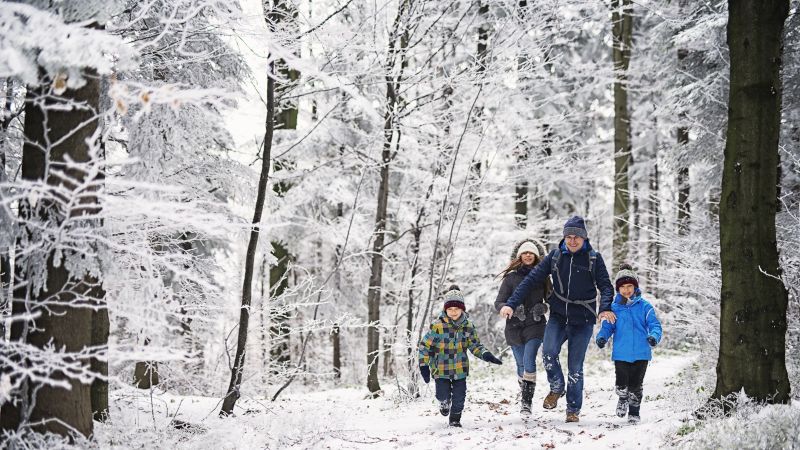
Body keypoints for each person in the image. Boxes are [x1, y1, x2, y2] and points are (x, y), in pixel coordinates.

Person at [499, 216, 615, 423]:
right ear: (564, 237)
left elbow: (605, 286)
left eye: (576, 237)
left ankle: (572, 410)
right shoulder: (554, 257)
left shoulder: (594, 259)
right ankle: (556, 387)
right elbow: (530, 280)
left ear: (584, 238)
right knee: (549, 352)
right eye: (568, 237)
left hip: (583, 318)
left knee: (575, 366)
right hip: (559, 315)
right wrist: (511, 303)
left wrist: (605, 307)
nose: (572, 241)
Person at [418, 285, 503, 427]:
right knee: (442, 394)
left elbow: (475, 345)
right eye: (450, 309)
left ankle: (455, 420)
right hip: (441, 369)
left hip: (460, 369)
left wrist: (486, 355)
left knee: (459, 398)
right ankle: (444, 403)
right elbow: (425, 346)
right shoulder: (438, 326)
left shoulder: (468, 326)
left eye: (456, 309)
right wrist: (423, 366)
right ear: (445, 309)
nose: (453, 312)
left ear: (462, 309)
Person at [595, 263, 663, 424]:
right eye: (623, 287)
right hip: (621, 353)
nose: (626, 290)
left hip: (641, 353)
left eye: (630, 286)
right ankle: (622, 398)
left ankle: (634, 412)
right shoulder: (613, 308)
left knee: (636, 386)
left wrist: (654, 336)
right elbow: (608, 326)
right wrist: (602, 337)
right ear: (618, 289)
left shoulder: (645, 307)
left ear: (635, 286)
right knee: (621, 384)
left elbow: (655, 325)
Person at [494, 239, 550, 415]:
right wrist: (507, 308)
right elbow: (499, 302)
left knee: (528, 359)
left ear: (535, 257)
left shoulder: (543, 277)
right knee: (520, 364)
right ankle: (525, 388)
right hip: (514, 326)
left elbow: (552, 299)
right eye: (525, 253)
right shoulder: (510, 278)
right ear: (519, 256)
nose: (527, 255)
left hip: (535, 324)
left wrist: (544, 307)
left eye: (531, 253)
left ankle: (526, 401)